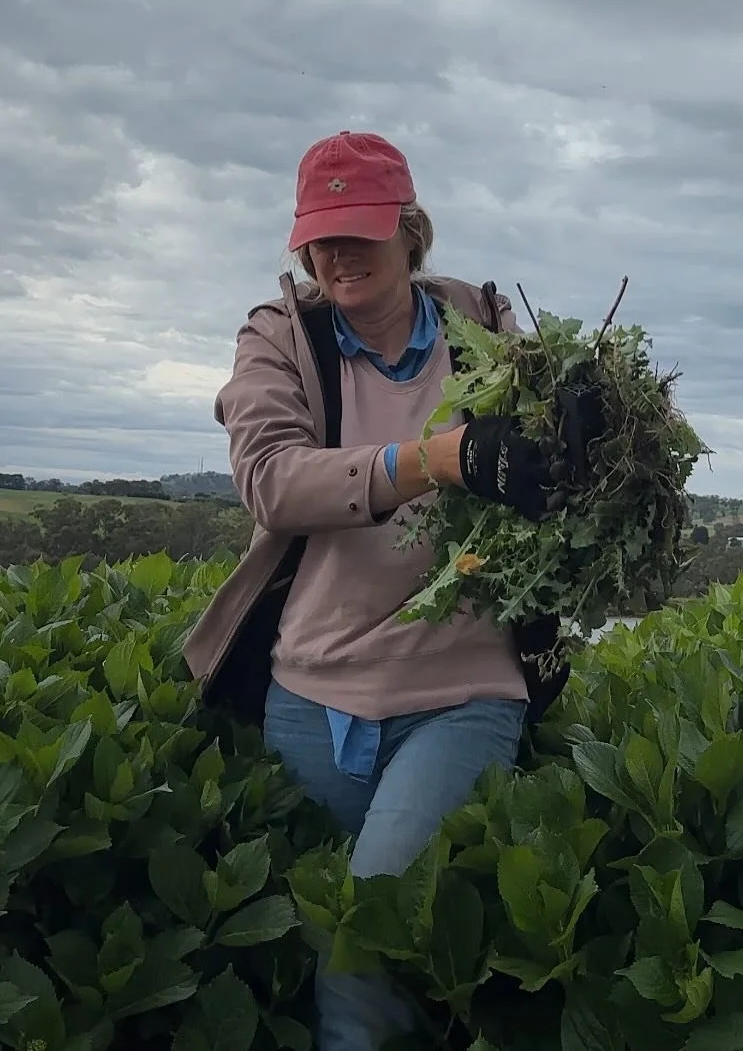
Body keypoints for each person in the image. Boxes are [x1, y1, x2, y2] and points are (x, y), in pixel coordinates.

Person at [184, 130, 600, 1050]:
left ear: (411, 233)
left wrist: (585, 436)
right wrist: (433, 461)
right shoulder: (280, 337)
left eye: (360, 231)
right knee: (366, 936)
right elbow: (273, 481)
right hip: (311, 692)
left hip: (460, 686)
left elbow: (574, 447)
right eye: (320, 234)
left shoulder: (483, 328)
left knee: (363, 937)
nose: (337, 254)